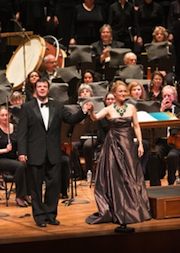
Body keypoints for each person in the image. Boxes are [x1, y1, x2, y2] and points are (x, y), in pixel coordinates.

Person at [17, 77, 91, 227]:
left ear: (48, 89)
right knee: (35, 187)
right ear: (35, 89)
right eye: (40, 87)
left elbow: (70, 119)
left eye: (45, 86)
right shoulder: (27, 107)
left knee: (53, 185)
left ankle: (51, 215)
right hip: (34, 152)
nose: (42, 89)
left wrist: (83, 111)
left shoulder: (57, 106)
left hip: (53, 152)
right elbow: (22, 132)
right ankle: (39, 216)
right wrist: (22, 152)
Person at [85, 80, 151, 225]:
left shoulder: (132, 108)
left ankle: (135, 207)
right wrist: (91, 111)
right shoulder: (109, 109)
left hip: (128, 144)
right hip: (113, 144)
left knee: (132, 174)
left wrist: (140, 143)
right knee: (116, 176)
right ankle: (118, 207)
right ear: (114, 94)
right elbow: (95, 118)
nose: (123, 93)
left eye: (124, 91)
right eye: (120, 91)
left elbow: (136, 126)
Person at [0, 106, 30, 207]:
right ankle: (20, 196)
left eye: (6, 115)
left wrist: (21, 152)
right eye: (2, 115)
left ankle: (26, 193)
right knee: (20, 166)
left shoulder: (15, 127)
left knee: (28, 163)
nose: (5, 117)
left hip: (14, 158)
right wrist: (5, 150)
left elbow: (22, 142)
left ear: (10, 115)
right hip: (2, 158)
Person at [154, 85, 180, 185]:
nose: (167, 98)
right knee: (155, 154)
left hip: (175, 141)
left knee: (172, 156)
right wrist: (161, 110)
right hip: (161, 140)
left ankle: (171, 182)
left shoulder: (178, 109)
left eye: (169, 96)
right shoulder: (157, 108)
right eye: (164, 96)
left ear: (174, 97)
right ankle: (155, 183)